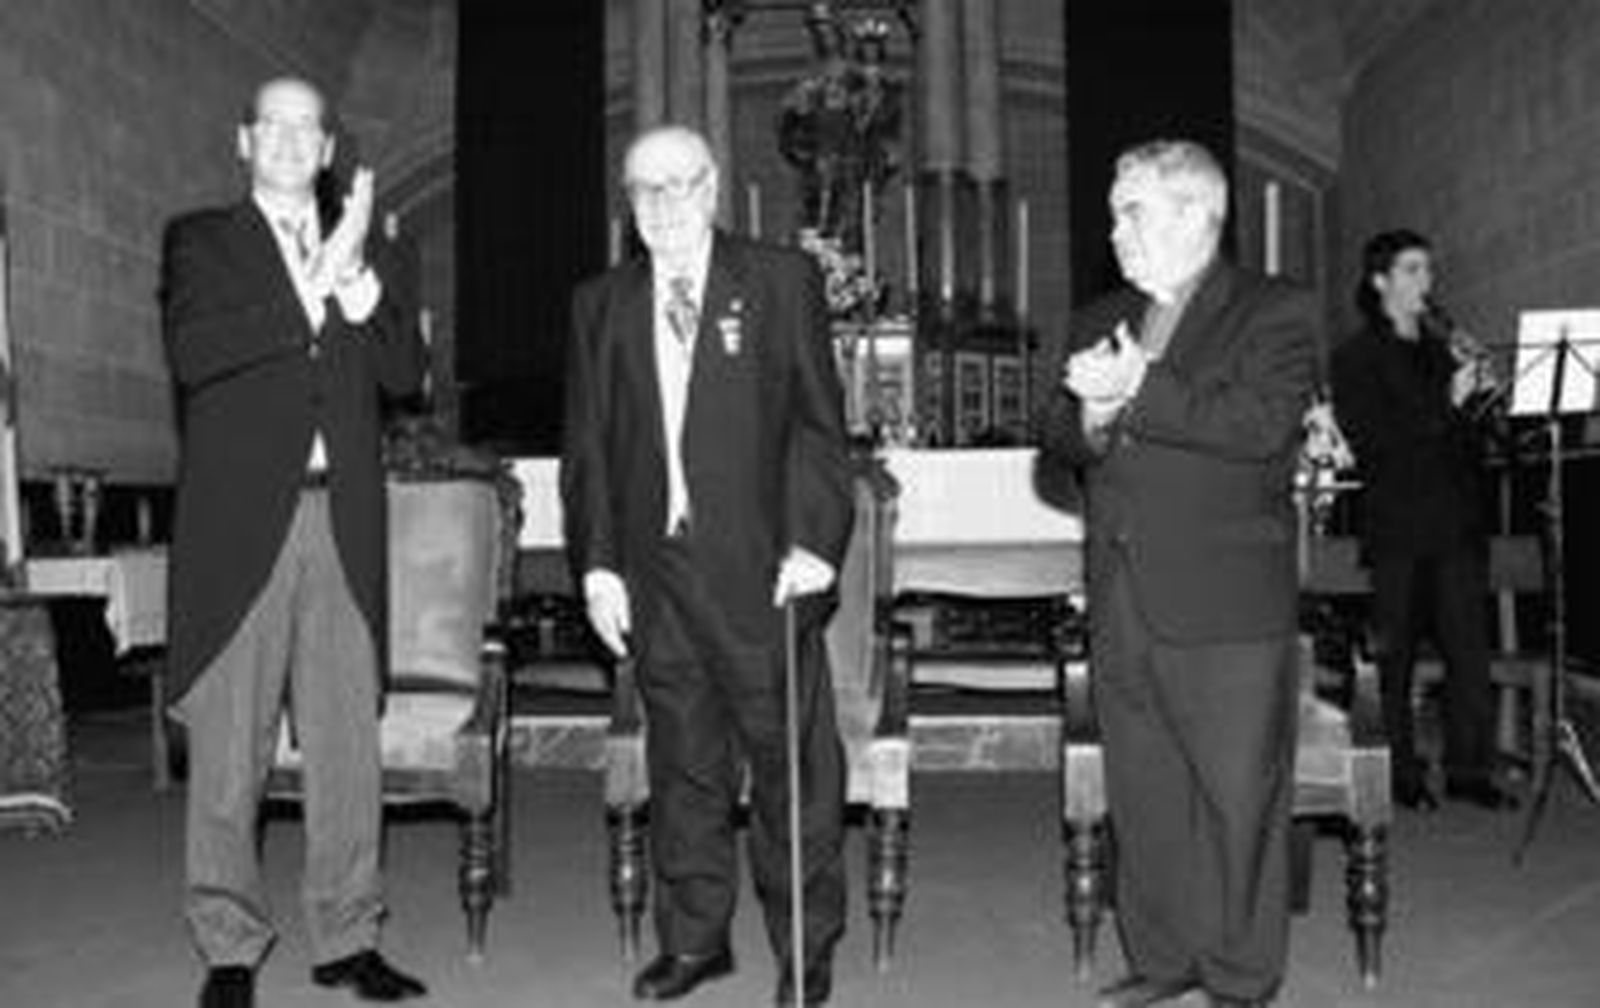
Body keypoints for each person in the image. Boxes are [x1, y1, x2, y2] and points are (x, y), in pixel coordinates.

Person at [561, 125, 854, 1006]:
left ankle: (805, 948)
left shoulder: (779, 281)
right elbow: (589, 451)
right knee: (684, 766)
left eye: (678, 184)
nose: (662, 204)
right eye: (643, 190)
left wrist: (814, 542)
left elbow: (818, 427)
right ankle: (695, 941)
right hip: (655, 576)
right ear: (628, 202)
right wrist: (598, 568)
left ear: (713, 186)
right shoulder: (600, 304)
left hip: (764, 572)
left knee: (790, 770)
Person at [161, 77, 427, 1008]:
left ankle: (349, 936)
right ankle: (229, 947)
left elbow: (405, 371)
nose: (285, 138)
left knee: (347, 745)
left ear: (327, 150)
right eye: (269, 123)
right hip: (241, 525)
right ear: (244, 141)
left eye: (304, 126)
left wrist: (355, 280)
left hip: (341, 520)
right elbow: (197, 354)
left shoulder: (372, 249)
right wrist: (314, 285)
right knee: (229, 751)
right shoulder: (201, 241)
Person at [1037, 139, 1318, 1008]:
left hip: (1226, 602)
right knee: (1145, 793)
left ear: (1199, 213)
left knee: (1238, 800)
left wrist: (1140, 386)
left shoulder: (1275, 310)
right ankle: (1162, 960)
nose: (1115, 231)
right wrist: (1089, 416)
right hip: (1121, 597)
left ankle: (1239, 976)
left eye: (1133, 212)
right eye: (1114, 214)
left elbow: (1260, 427)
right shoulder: (1099, 316)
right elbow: (1055, 447)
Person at [1330, 229, 1514, 812]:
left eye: (1428, 270)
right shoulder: (1355, 358)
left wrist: (1487, 398)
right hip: (1400, 527)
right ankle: (1400, 774)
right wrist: (1448, 403)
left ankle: (1469, 770)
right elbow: (1376, 444)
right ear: (1380, 281)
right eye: (1412, 270)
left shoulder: (1443, 351)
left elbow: (1473, 443)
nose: (1426, 281)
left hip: (1457, 524)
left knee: (1469, 654)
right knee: (1397, 659)